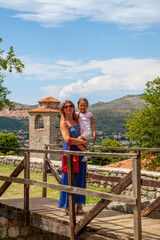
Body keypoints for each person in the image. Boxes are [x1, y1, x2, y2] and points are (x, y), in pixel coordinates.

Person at [58, 100, 87, 215]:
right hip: (70, 152)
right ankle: (67, 205)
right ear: (63, 109)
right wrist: (81, 141)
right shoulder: (63, 122)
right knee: (69, 178)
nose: (69, 108)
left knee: (81, 177)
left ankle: (79, 205)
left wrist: (85, 141)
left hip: (80, 152)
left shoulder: (77, 120)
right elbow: (67, 139)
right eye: (66, 106)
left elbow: (85, 131)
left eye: (71, 106)